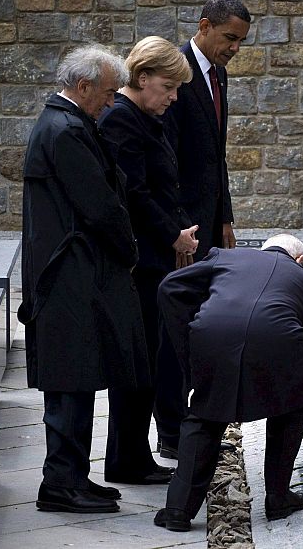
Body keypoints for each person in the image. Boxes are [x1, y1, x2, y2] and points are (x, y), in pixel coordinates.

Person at [153, 234, 303, 532]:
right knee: (294, 398)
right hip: (276, 345)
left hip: (213, 336)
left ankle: (177, 510)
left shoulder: (225, 256)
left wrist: (187, 348)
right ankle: (278, 498)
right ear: (300, 261)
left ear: (262, 249)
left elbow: (169, 286)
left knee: (204, 416)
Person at [19, 44, 150, 513]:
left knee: (78, 377)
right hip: (68, 275)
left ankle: (73, 476)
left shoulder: (66, 124)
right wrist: (129, 249)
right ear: (83, 87)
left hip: (71, 272)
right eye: (110, 93)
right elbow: (98, 205)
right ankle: (60, 483)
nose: (112, 102)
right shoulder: (66, 130)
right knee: (70, 381)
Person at [97, 36, 195, 483]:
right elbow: (132, 194)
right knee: (138, 363)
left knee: (149, 360)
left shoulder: (142, 118)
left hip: (155, 258)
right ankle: (127, 459)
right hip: (140, 263)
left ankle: (132, 455)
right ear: (142, 78)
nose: (174, 98)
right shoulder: (122, 120)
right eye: (169, 87)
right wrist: (172, 233)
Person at [164, 0, 251, 261]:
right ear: (204, 27)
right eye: (229, 38)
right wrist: (175, 228)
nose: (235, 48)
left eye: (240, 41)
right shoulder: (175, 71)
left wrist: (224, 218)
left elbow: (216, 154)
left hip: (210, 220)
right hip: (184, 224)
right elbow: (165, 158)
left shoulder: (218, 72)